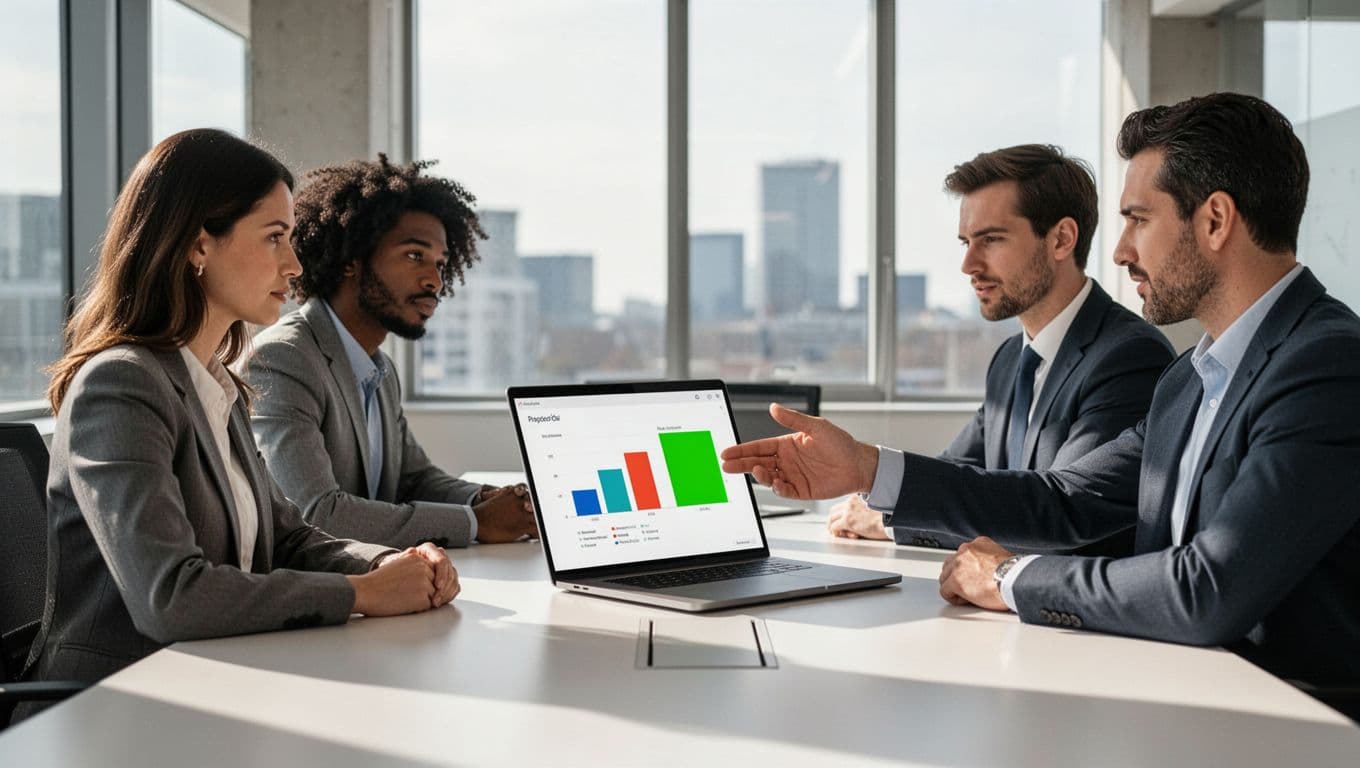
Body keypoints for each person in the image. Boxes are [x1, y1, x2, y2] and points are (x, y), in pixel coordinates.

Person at [720, 93, 1360, 691]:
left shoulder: (1327, 363)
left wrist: (1009, 576)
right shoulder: (1191, 377)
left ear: (1215, 220)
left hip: (1291, 723)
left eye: (1138, 220)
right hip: (1177, 689)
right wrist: (867, 467)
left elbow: (1208, 587)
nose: (1119, 250)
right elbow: (1068, 498)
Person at [24, 130, 457, 710]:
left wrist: (388, 563)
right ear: (199, 245)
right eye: (275, 237)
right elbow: (171, 596)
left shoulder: (216, 382)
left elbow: (287, 536)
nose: (295, 263)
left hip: (209, 685)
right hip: (114, 707)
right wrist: (363, 592)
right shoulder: (120, 383)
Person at [827, 144, 1172, 553]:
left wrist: (884, 511)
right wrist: (889, 510)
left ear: (1062, 239)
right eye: (966, 242)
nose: (968, 264)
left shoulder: (1129, 357)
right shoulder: (1010, 359)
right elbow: (958, 479)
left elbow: (1057, 513)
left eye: (990, 239)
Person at [243, 156, 537, 549]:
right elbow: (314, 514)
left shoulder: (379, 370)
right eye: (415, 256)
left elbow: (412, 479)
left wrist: (486, 499)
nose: (435, 281)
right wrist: (476, 522)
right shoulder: (284, 359)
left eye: (441, 264)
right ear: (352, 259)